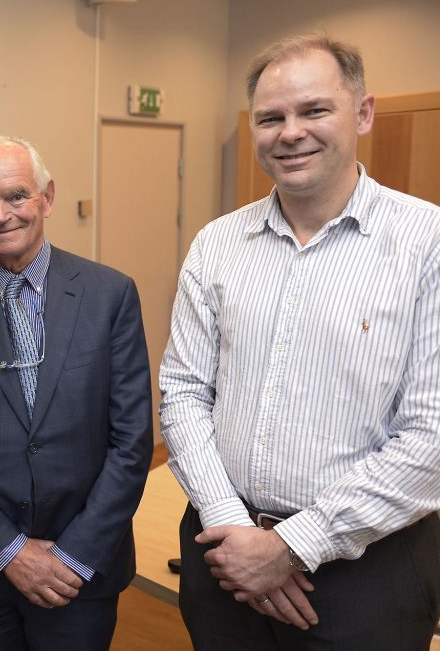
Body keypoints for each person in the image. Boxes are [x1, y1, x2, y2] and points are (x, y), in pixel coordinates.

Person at [160, 33, 440, 651]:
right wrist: (236, 531)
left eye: (314, 110)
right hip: (222, 551)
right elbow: (182, 392)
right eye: (271, 117)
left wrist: (291, 547)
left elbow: (431, 436)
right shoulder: (217, 243)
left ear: (363, 113)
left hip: (369, 570)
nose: (290, 133)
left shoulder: (427, 244)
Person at [0, 135, 153, 651]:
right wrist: (8, 551)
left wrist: (75, 555)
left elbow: (132, 439)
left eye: (16, 195)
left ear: (48, 197)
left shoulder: (110, 295)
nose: (0, 215)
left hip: (80, 569)